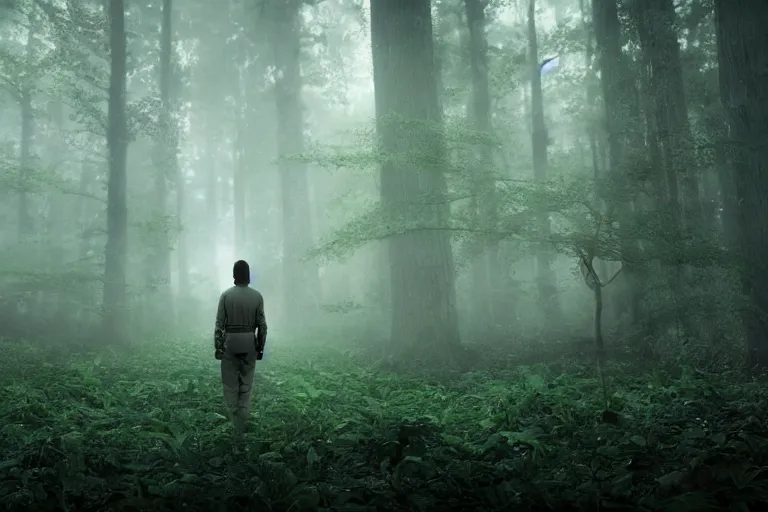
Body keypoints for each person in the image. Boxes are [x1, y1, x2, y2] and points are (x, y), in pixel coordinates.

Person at [213, 260, 268, 434]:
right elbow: (262, 326)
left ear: (234, 275)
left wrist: (218, 347)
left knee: (230, 384)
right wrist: (260, 347)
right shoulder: (257, 296)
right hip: (249, 343)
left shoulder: (226, 296)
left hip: (230, 342)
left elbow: (219, 325)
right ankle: (243, 420)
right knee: (246, 384)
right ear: (248, 275)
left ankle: (232, 420)